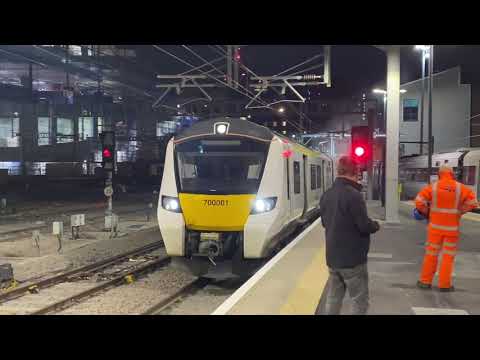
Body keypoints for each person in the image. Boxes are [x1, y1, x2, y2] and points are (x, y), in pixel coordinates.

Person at [318, 155, 380, 315]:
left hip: (333, 258)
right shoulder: (354, 195)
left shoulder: (327, 195)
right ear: (355, 172)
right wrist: (376, 225)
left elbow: (325, 223)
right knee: (359, 300)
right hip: (353, 260)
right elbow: (364, 225)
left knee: (333, 298)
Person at [415, 165, 478, 292]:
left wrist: (427, 212)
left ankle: (425, 282)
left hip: (435, 229)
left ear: (439, 174)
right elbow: (473, 202)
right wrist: (460, 211)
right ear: (452, 174)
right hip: (452, 230)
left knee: (431, 255)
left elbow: (419, 201)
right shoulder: (461, 188)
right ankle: (444, 285)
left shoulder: (433, 187)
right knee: (448, 257)